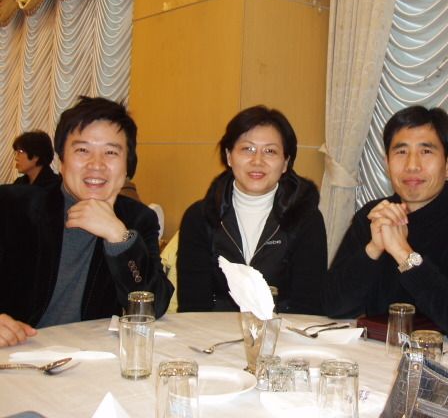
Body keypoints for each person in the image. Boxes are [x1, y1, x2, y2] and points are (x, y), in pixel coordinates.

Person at [0, 97, 174, 347]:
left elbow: (153, 307)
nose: (96, 165)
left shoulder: (137, 219)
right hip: (16, 353)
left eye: (111, 152)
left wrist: (118, 237)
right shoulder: (12, 206)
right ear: (61, 160)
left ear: (127, 165)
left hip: (91, 359)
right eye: (82, 150)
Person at [324, 106, 448, 342]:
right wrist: (373, 249)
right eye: (401, 152)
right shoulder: (374, 215)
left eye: (426, 151)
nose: (412, 165)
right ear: (387, 163)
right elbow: (332, 306)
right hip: (377, 351)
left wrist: (404, 255)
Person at [177, 105, 327, 314]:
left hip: (282, 331)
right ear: (229, 156)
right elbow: (193, 306)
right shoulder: (200, 217)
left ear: (285, 163)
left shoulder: (305, 218)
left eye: (270, 151)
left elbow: (308, 306)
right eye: (247, 149)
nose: (257, 161)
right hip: (213, 330)